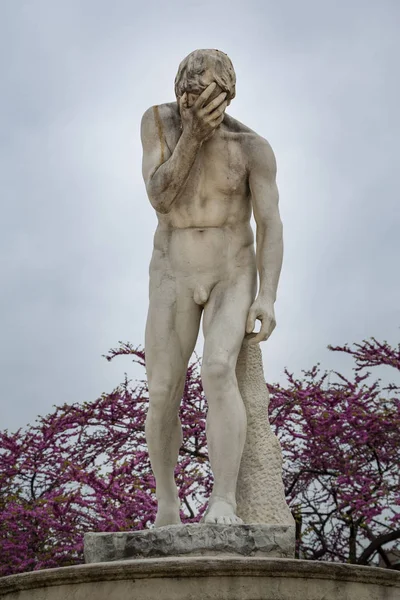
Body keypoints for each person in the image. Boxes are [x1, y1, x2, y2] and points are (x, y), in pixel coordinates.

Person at [140, 49, 283, 526]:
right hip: (173, 268)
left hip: (231, 269)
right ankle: (166, 503)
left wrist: (268, 296)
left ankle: (225, 499)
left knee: (218, 369)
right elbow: (161, 197)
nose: (191, 104)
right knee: (161, 390)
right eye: (185, 94)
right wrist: (193, 139)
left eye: (203, 96)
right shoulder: (159, 124)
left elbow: (270, 224)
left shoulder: (252, 148)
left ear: (225, 96)